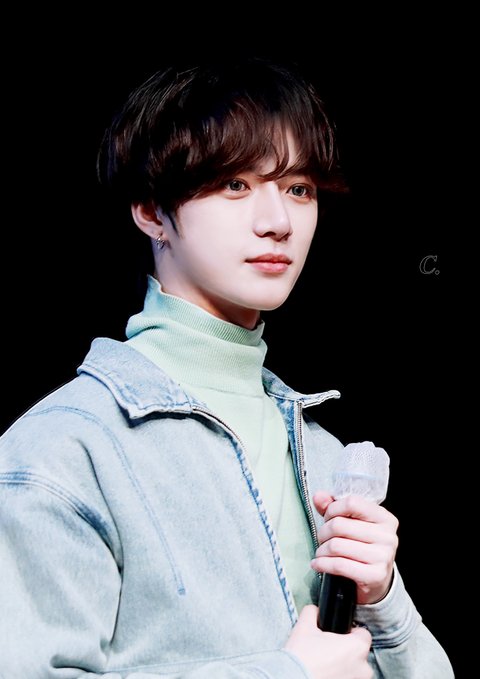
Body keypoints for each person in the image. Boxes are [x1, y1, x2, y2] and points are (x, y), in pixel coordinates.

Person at [0, 56, 453, 679]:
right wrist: (289, 673)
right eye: (236, 184)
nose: (278, 222)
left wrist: (384, 602)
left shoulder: (324, 456)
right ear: (151, 212)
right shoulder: (64, 451)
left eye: (298, 188)